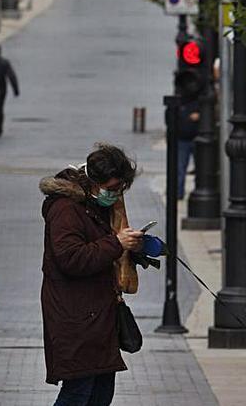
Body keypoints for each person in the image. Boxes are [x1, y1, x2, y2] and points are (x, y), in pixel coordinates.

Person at [39, 144, 144, 406]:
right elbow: (70, 259)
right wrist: (117, 243)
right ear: (94, 181)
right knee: (78, 393)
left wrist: (135, 248)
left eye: (120, 188)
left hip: (98, 317)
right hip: (75, 317)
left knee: (99, 394)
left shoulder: (94, 203)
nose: (116, 194)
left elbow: (102, 245)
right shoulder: (65, 208)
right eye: (112, 188)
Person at [175, 98, 200, 199]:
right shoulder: (179, 101)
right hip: (183, 139)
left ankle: (197, 191)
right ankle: (179, 193)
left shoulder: (199, 97)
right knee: (181, 168)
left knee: (200, 168)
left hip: (196, 138)